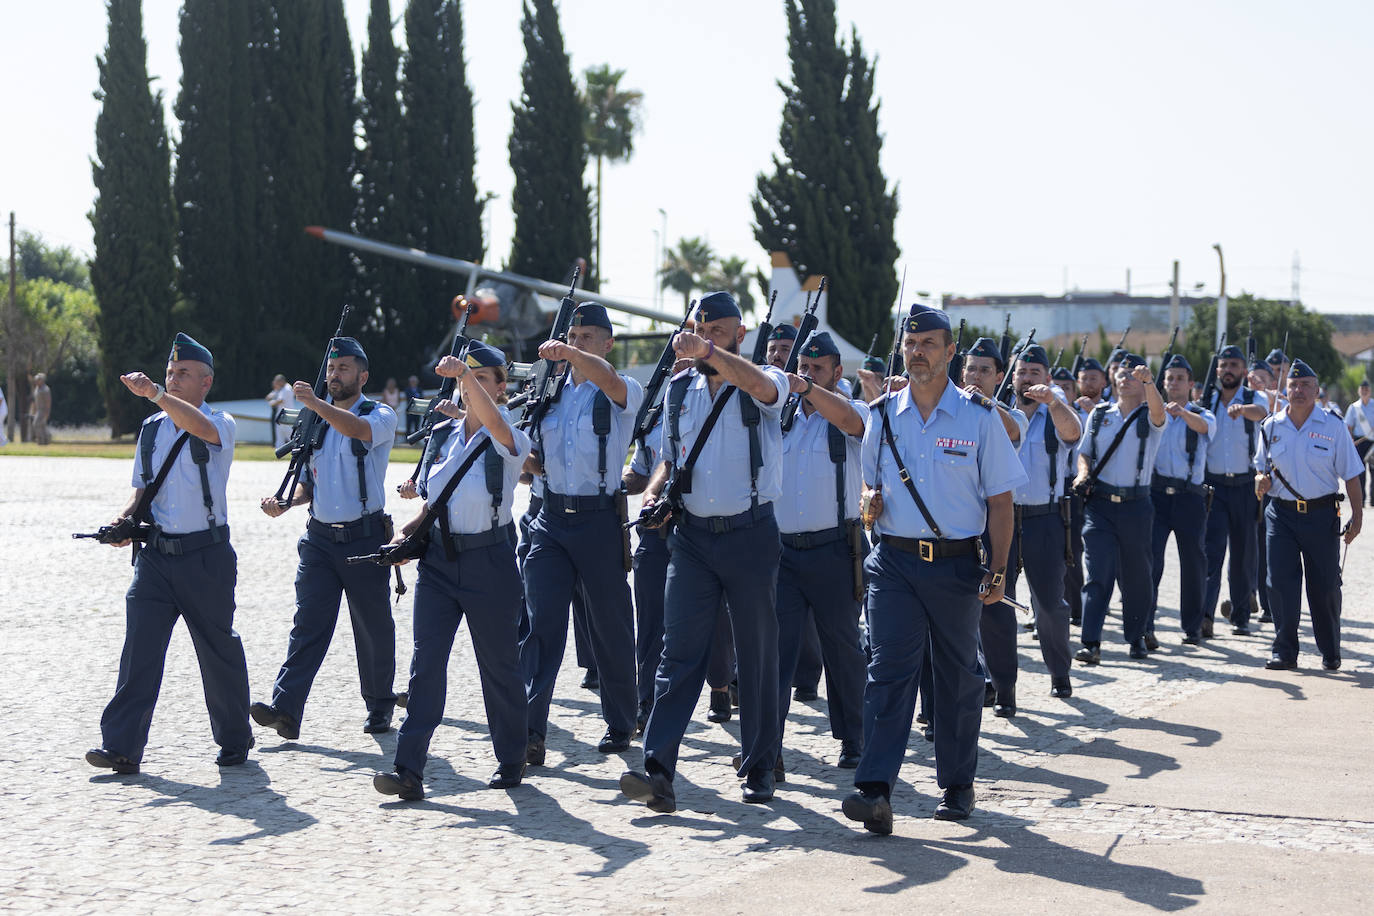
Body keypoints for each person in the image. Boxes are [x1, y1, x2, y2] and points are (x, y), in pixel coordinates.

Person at [840, 305, 1024, 835]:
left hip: (956, 565)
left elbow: (1001, 501)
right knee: (888, 669)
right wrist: (869, 498)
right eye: (911, 342)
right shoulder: (880, 414)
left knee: (958, 675)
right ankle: (875, 788)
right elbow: (870, 485)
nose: (917, 351)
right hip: (894, 560)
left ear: (949, 353)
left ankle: (957, 784)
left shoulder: (979, 417)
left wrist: (1000, 571)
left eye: (928, 343)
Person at [620, 291, 789, 812]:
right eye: (701, 329)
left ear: (738, 333)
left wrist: (713, 356)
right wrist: (652, 494)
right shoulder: (678, 389)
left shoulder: (765, 379)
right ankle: (658, 769)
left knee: (756, 655)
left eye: (718, 331)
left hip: (750, 533)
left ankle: (759, 764)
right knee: (678, 652)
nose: (706, 337)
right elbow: (672, 459)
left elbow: (762, 387)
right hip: (691, 536)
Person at [85, 333, 253, 775]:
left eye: (183, 374)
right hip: (156, 558)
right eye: (169, 373)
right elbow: (141, 493)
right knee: (139, 650)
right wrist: (123, 523)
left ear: (206, 382)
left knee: (217, 650)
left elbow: (197, 427)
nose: (172, 379)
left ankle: (235, 739)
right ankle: (120, 745)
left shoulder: (222, 423)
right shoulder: (150, 430)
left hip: (205, 556)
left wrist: (157, 395)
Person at [373, 342, 530, 800]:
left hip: (491, 562)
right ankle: (408, 768)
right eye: (467, 378)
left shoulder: (510, 435)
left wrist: (463, 374)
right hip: (441, 562)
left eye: (483, 380)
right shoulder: (443, 436)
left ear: (502, 389)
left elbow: (494, 423)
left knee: (499, 665)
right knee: (426, 664)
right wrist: (408, 539)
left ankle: (510, 757)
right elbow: (432, 502)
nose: (471, 387)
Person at [251, 337, 399, 741]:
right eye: (331, 369)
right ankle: (286, 708)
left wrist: (315, 404)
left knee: (372, 626)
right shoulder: (314, 420)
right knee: (308, 623)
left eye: (344, 369)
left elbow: (356, 430)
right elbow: (306, 481)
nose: (335, 376)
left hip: (364, 538)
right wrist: (286, 503)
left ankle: (380, 704)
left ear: (363, 376)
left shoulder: (379, 413)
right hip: (318, 539)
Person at [521, 303, 643, 764]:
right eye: (574, 335)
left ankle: (619, 721)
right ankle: (530, 730)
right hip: (550, 520)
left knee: (609, 624)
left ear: (608, 343)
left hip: (598, 520)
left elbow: (608, 380)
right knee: (541, 626)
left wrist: (572, 358)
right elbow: (532, 459)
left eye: (588, 336)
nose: (577, 342)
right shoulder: (549, 394)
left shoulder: (620, 388)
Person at [774, 330, 868, 769]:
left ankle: (854, 738)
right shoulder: (780, 415)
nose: (807, 374)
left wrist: (809, 390)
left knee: (843, 651)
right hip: (782, 553)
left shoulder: (854, 411)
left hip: (835, 550)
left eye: (817, 368)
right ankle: (765, 747)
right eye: (803, 368)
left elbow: (854, 423)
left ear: (836, 372)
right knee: (773, 653)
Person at [1255, 359, 1362, 670]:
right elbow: (1260, 473)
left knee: (1326, 585)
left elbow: (1352, 474)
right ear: (1285, 389)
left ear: (1317, 391)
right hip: (1281, 515)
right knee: (1280, 583)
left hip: (1321, 514)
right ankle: (1284, 651)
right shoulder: (1270, 426)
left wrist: (1358, 515)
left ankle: (1330, 650)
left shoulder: (1333, 426)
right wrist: (1259, 483)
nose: (1298, 390)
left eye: (1305, 385)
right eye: (1293, 385)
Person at [1073, 354, 1166, 664]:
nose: (1125, 378)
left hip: (1136, 505)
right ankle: (1091, 642)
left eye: (1132, 375)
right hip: (1100, 505)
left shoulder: (1149, 416)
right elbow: (1085, 453)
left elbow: (1159, 412)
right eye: (1121, 374)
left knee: (1138, 575)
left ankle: (1136, 635)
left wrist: (1150, 382)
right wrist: (1083, 473)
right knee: (1098, 572)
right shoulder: (1099, 415)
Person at [1006, 345, 1082, 701]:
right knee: (997, 602)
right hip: (1002, 518)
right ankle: (999, 682)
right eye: (1022, 372)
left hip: (1044, 519)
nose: (1027, 379)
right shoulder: (1000, 411)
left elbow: (1073, 433)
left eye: (1035, 373)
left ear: (1047, 378)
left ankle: (1059, 672)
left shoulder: (1057, 412)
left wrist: (1053, 402)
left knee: (1050, 603)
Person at [961, 337, 1027, 711]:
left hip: (993, 523)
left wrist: (982, 401)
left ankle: (1004, 686)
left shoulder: (1007, 412)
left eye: (985, 370)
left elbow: (1014, 432)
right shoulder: (950, 408)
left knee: (996, 608)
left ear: (999, 377)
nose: (977, 376)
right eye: (971, 368)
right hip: (956, 522)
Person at [1201, 345, 1269, 637]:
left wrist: (1241, 409)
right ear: (1217, 370)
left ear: (1244, 371)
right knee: (1211, 553)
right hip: (1214, 487)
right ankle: (1204, 616)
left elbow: (1262, 412)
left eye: (1234, 365)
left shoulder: (1255, 397)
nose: (1228, 369)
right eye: (1223, 365)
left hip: (1244, 486)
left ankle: (1241, 615)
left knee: (1243, 554)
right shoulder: (1207, 399)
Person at [1149, 355, 1215, 645]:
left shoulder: (1202, 413)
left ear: (1190, 384)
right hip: (1157, 495)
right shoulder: (1154, 414)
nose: (1174, 383)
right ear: (1163, 383)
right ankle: (1145, 624)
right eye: (1170, 378)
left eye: (1180, 378)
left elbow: (1204, 428)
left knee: (1193, 563)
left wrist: (1183, 413)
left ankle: (1192, 625)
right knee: (1151, 562)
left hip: (1190, 496)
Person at [1344, 379, 1374, 506]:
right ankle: (1361, 500)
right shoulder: (1354, 407)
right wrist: (1350, 440)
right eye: (1362, 389)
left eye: (1366, 389)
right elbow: (1348, 426)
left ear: (1370, 391)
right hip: (1359, 442)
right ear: (1359, 391)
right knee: (1360, 472)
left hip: (1373, 441)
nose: (1364, 391)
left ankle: (1373, 499)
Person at [266, 374, 298, 450]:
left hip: (287, 415)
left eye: (277, 382)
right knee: (279, 434)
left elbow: (281, 400)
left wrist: (272, 403)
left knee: (289, 433)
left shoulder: (286, 388)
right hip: (281, 415)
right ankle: (278, 450)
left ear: (281, 381)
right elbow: (268, 397)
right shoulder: (280, 389)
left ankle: (295, 447)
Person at [30, 372, 52, 445]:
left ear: (42, 380)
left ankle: (41, 441)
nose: (36, 381)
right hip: (38, 410)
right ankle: (45, 441)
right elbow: (35, 400)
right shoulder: (37, 388)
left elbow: (48, 402)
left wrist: (47, 413)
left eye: (37, 380)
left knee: (36, 424)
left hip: (43, 410)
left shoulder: (45, 389)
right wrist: (34, 411)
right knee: (42, 426)